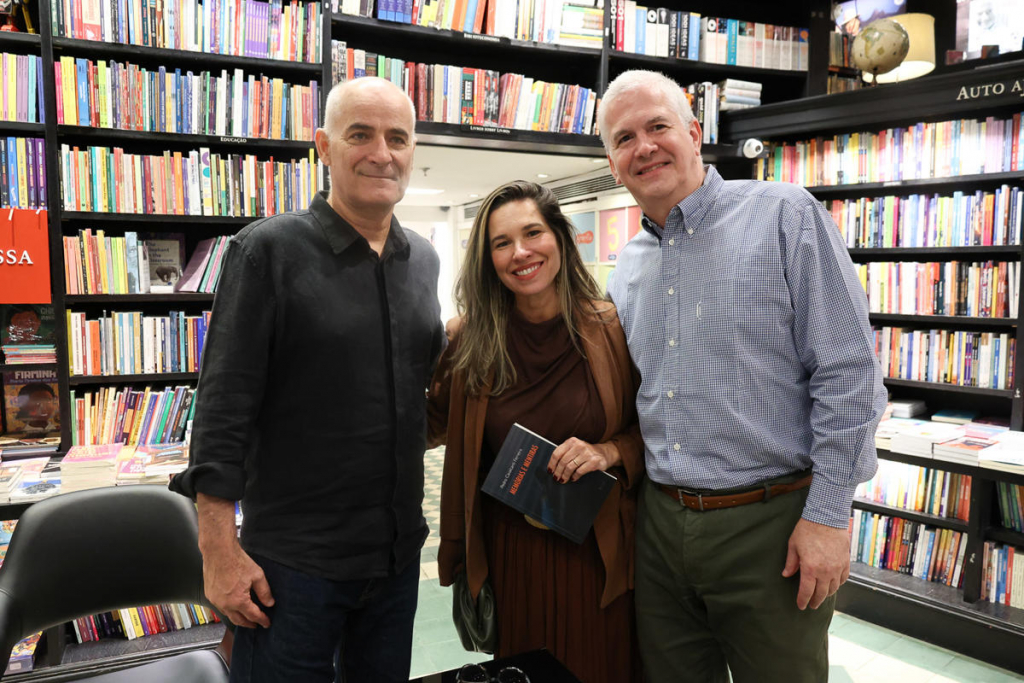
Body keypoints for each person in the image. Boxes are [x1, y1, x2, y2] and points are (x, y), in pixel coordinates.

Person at [600, 70, 887, 683]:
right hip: (659, 525)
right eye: (625, 138)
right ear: (612, 163)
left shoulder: (784, 215)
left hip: (773, 527)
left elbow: (849, 374)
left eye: (658, 126)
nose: (644, 146)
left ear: (695, 133)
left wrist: (829, 516)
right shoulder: (627, 267)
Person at [170, 77, 445, 683]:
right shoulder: (267, 251)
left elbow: (424, 392)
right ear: (323, 146)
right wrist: (218, 552)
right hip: (293, 571)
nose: (382, 152)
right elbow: (222, 408)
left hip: (396, 564)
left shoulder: (422, 260)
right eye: (360, 135)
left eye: (397, 137)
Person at [428, 180, 644, 683]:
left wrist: (609, 450)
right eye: (501, 243)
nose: (520, 253)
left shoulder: (610, 328)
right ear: (487, 259)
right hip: (511, 555)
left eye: (532, 233)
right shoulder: (468, 339)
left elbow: (649, 429)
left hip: (597, 553)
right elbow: (432, 423)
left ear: (560, 240)